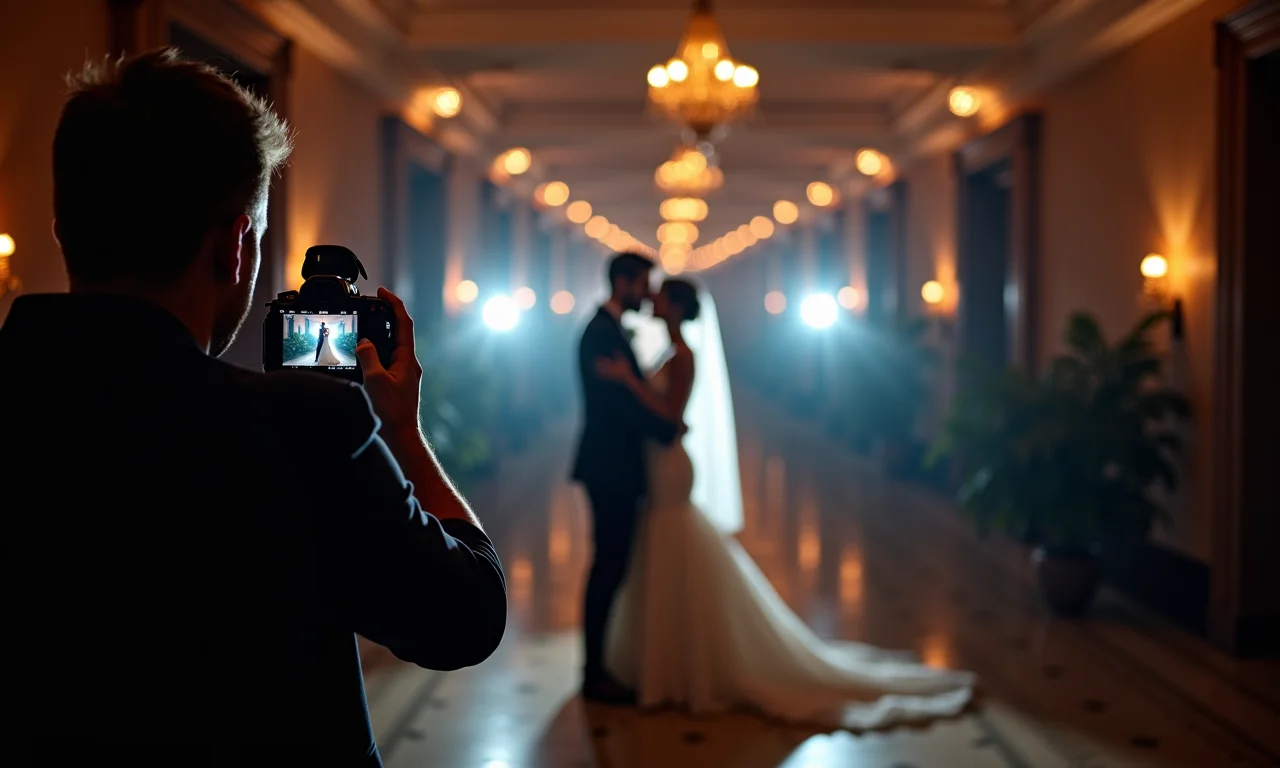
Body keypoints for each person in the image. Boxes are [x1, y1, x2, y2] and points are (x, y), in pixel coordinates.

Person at [0, 49, 506, 762]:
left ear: (63, 228)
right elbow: (466, 617)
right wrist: (404, 433)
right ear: (237, 247)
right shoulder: (302, 426)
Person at [598, 279, 977, 730]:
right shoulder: (667, 351)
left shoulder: (684, 356)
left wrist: (627, 383)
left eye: (661, 296)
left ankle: (683, 669)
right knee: (662, 549)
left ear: (676, 307)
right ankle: (664, 662)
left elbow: (672, 417)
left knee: (672, 541)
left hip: (672, 465)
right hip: (658, 464)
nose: (653, 299)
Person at [570, 251, 681, 704]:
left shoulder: (608, 329)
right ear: (623, 282)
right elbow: (618, 408)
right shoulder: (599, 333)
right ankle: (593, 670)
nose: (647, 294)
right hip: (609, 466)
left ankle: (602, 661)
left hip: (615, 465)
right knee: (607, 565)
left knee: (613, 564)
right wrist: (667, 426)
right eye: (643, 284)